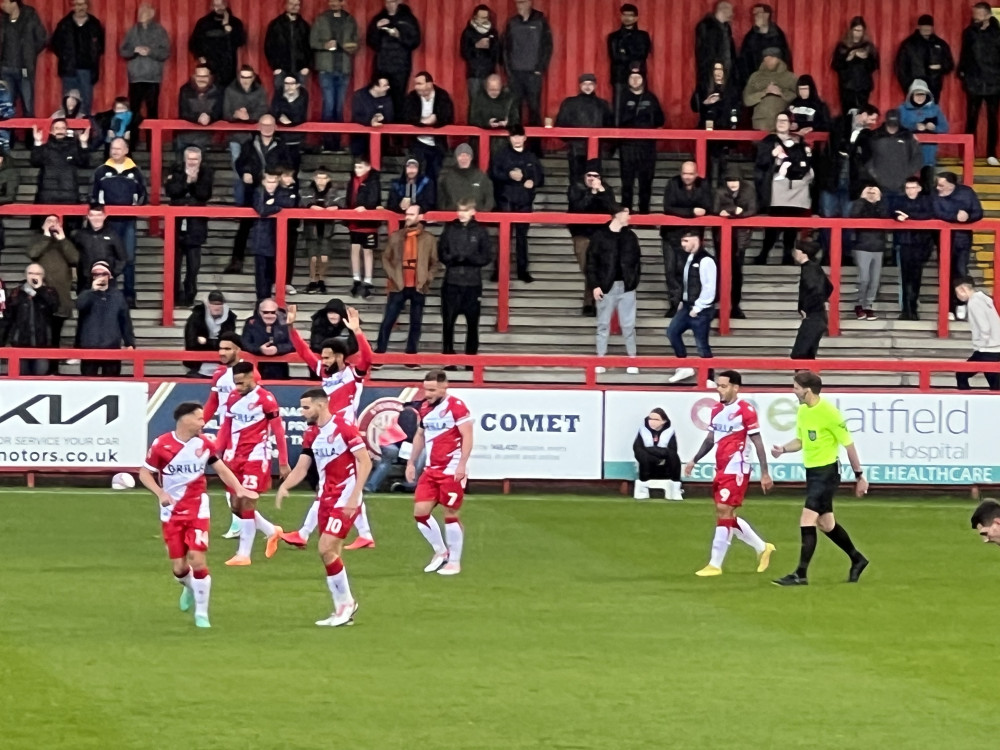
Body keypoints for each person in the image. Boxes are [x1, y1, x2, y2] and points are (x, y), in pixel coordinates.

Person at [140, 401, 253, 629]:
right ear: (185, 419)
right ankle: (189, 586)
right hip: (170, 512)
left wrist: (239, 488)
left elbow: (221, 468)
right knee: (179, 568)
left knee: (198, 560)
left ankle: (202, 614)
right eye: (199, 418)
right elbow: (145, 473)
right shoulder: (162, 444)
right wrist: (160, 492)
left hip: (198, 509)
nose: (204, 422)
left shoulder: (205, 444)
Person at [281, 305, 376, 551]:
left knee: (338, 484)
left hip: (345, 434)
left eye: (327, 357)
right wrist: (291, 327)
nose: (322, 361)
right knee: (332, 484)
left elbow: (369, 358)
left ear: (340, 357)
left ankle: (304, 533)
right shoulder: (324, 372)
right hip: (328, 433)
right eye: (322, 357)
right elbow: (303, 352)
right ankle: (363, 534)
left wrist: (358, 332)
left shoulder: (353, 375)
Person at [277, 388, 371, 626]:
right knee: (332, 553)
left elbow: (365, 461)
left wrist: (355, 496)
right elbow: (302, 467)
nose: (302, 412)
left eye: (306, 407)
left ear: (321, 405)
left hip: (345, 497)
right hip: (325, 497)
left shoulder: (344, 428)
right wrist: (284, 486)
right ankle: (342, 609)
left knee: (325, 548)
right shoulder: (311, 434)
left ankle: (347, 604)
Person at [772, 371, 870, 586]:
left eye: (796, 387)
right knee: (826, 524)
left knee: (807, 520)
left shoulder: (830, 413)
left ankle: (801, 574)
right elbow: (801, 440)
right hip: (813, 473)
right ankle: (857, 559)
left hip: (827, 473)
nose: (793, 391)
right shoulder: (803, 412)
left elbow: (848, 445)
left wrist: (859, 476)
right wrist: (783, 449)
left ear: (807, 390)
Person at [683, 370, 775, 576]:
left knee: (724, 510)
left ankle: (715, 564)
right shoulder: (716, 409)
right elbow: (710, 439)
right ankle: (762, 547)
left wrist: (765, 472)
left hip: (737, 467)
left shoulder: (745, 410)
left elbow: (758, 441)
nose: (719, 390)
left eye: (723, 386)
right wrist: (694, 460)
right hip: (722, 466)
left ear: (735, 387)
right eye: (718, 386)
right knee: (726, 513)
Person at [214, 362, 291, 565]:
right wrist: (216, 453)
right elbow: (226, 427)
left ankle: (244, 554)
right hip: (233, 456)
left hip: (256, 456)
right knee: (235, 506)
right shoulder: (232, 397)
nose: (238, 387)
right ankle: (271, 531)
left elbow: (278, 431)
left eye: (241, 383)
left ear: (251, 377)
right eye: (235, 384)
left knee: (247, 501)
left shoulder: (265, 399)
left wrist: (283, 461)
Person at [406, 370, 473, 576]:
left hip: (451, 469)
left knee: (450, 513)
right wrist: (410, 462)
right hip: (431, 469)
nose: (428, 394)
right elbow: (419, 435)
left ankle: (454, 561)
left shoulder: (457, 407)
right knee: (420, 513)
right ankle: (441, 551)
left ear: (445, 387)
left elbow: (468, 436)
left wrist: (462, 464)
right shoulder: (424, 408)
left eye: (432, 390)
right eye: (426, 389)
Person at [91, 138, 147, 308]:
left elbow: (143, 195)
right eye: (112, 148)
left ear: (126, 150)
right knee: (108, 259)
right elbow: (93, 195)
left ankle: (129, 295)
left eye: (118, 148)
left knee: (129, 259)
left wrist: (137, 208)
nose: (114, 151)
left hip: (128, 222)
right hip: (108, 222)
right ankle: (108, 293)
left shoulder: (135, 172)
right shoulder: (101, 171)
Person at [376, 204, 438, 358]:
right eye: (407, 214)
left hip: (418, 285)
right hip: (399, 283)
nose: (408, 216)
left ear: (420, 217)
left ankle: (411, 355)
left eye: (411, 214)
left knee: (416, 323)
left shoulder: (429, 239)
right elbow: (385, 257)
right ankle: (380, 353)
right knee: (388, 320)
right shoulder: (396, 236)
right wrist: (392, 275)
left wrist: (427, 277)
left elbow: (434, 262)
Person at [753, 111, 813, 266]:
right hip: (777, 187)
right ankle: (764, 253)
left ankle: (787, 255)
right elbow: (760, 162)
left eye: (784, 120)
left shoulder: (799, 141)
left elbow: (805, 161)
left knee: (791, 226)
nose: (781, 123)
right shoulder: (768, 141)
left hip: (796, 188)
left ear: (790, 123)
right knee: (773, 225)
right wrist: (772, 155)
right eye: (779, 120)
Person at [586, 203, 640, 374]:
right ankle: (601, 358)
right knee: (603, 323)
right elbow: (591, 263)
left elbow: (637, 260)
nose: (629, 217)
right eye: (626, 214)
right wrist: (595, 285)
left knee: (628, 324)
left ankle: (632, 359)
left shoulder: (630, 236)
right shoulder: (600, 236)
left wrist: (633, 280)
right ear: (617, 215)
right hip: (606, 286)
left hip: (626, 286)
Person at [439, 198, 492, 361]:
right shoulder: (449, 229)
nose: (461, 214)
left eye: (465, 210)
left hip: (472, 283)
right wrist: (455, 258)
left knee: (472, 324)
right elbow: (442, 252)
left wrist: (467, 258)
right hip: (452, 281)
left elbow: (486, 256)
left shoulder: (481, 231)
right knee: (448, 323)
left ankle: (471, 359)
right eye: (460, 210)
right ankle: (448, 357)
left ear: (473, 212)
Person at [490, 125, 544, 283]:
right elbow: (493, 173)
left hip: (524, 202)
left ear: (525, 138)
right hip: (506, 200)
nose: (517, 139)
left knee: (522, 238)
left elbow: (541, 178)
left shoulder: (531, 156)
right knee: (503, 238)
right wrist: (508, 175)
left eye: (520, 136)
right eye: (514, 136)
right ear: (509, 138)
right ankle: (498, 271)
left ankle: (522, 271)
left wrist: (531, 181)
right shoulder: (502, 155)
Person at [165, 146, 213, 307]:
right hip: (176, 223)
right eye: (190, 159)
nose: (192, 162)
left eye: (196, 159)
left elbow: (204, 194)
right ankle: (174, 296)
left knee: (193, 266)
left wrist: (193, 183)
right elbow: (171, 191)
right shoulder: (176, 169)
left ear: (200, 160)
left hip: (196, 225)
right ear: (185, 159)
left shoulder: (206, 172)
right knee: (174, 265)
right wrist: (187, 181)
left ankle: (190, 294)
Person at [662, 161, 713, 315]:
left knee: (686, 268)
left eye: (691, 174)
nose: (687, 177)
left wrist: (691, 212)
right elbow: (668, 207)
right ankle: (674, 302)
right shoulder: (672, 184)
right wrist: (691, 211)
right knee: (670, 269)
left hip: (692, 234)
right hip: (671, 233)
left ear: (696, 174)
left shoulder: (703, 185)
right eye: (685, 173)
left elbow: (707, 206)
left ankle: (688, 302)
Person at [667, 230, 717, 386]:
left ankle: (709, 377)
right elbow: (687, 282)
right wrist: (683, 300)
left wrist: (699, 306)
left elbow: (710, 287)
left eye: (686, 241)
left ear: (696, 240)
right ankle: (683, 365)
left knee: (702, 343)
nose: (683, 245)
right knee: (672, 332)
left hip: (701, 309)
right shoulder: (688, 258)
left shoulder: (706, 260)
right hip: (687, 305)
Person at [568, 159, 617, 316]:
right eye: (589, 175)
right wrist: (592, 193)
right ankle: (593, 301)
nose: (592, 178)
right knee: (587, 268)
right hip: (582, 235)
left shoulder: (606, 189)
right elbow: (578, 208)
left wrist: (601, 192)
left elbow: (612, 208)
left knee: (598, 268)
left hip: (601, 236)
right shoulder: (576, 188)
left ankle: (590, 303)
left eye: (595, 175)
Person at [310, 0, 360, 153]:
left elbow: (356, 43)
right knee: (329, 105)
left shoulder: (350, 20)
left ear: (343, 2)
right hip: (326, 68)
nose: (334, 3)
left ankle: (337, 144)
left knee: (339, 107)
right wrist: (324, 45)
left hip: (343, 68)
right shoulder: (321, 19)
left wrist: (350, 47)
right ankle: (327, 143)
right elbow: (312, 41)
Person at [27, 216, 78, 364]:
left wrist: (62, 238)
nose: (52, 224)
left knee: (55, 336)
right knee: (41, 335)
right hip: (41, 298)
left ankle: (53, 368)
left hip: (61, 296)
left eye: (55, 221)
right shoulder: (38, 238)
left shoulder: (66, 240)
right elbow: (32, 253)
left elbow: (74, 258)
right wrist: (46, 236)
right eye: (49, 221)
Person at [934, 171, 984, 320]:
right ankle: (948, 307)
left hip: (963, 239)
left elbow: (979, 212)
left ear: (952, 184)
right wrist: (954, 217)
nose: (938, 187)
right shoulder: (935, 195)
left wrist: (968, 217)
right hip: (943, 240)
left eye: (942, 185)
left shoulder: (966, 193)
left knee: (961, 272)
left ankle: (961, 304)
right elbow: (935, 213)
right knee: (946, 273)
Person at [616, 66, 664, 215]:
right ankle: (626, 214)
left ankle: (644, 215)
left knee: (646, 182)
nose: (635, 80)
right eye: (632, 77)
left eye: (638, 77)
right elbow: (615, 120)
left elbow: (660, 119)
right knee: (627, 183)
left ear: (643, 80)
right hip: (627, 146)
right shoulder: (622, 98)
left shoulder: (651, 98)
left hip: (647, 146)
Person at [75, 260, 135, 377]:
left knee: (112, 382)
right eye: (96, 274)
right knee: (88, 383)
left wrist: (129, 342)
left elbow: (125, 321)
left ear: (110, 276)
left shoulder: (117, 296)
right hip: (89, 348)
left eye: (103, 274)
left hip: (111, 347)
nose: (99, 277)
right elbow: (79, 306)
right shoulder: (86, 294)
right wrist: (92, 291)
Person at [366, 0, 422, 122]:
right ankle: (382, 138)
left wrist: (399, 35)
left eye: (392, 2)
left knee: (399, 100)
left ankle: (398, 137)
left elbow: (415, 41)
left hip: (401, 67)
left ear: (398, 2)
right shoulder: (378, 18)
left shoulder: (408, 19)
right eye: (387, 2)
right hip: (382, 66)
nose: (389, 5)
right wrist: (376, 28)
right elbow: (371, 43)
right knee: (381, 100)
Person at [959, 2, 1000, 166]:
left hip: (995, 81)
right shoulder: (969, 32)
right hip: (974, 81)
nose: (975, 17)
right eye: (974, 14)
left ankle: (991, 154)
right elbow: (964, 55)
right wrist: (963, 74)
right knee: (972, 118)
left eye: (979, 14)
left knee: (992, 118)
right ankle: (968, 154)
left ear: (988, 15)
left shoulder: (997, 33)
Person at [713, 164, 757, 319]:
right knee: (721, 270)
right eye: (729, 180)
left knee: (737, 272)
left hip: (740, 237)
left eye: (735, 180)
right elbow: (716, 209)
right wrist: (732, 210)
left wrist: (739, 212)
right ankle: (719, 302)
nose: (732, 184)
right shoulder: (720, 192)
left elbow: (752, 209)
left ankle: (735, 304)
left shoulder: (748, 191)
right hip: (722, 237)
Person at [30, 119, 90, 231]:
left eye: (63, 128)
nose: (60, 131)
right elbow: (35, 162)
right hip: (47, 197)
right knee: (46, 232)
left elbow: (84, 163)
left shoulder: (74, 147)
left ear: (67, 131)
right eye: (57, 128)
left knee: (68, 233)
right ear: (51, 131)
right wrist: (37, 143)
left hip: (69, 197)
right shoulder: (45, 148)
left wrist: (83, 144)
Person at [555, 73, 613, 186]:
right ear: (580, 85)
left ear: (595, 86)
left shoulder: (602, 104)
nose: (587, 86)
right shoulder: (569, 103)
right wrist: (572, 141)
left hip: (596, 150)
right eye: (584, 84)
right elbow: (560, 124)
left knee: (594, 181)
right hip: (576, 149)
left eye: (590, 84)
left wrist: (604, 144)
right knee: (576, 182)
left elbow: (609, 126)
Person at [690, 61, 742, 185]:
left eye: (720, 69)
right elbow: (694, 106)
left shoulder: (732, 89)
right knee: (705, 166)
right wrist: (705, 103)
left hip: (725, 132)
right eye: (715, 69)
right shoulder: (704, 87)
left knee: (723, 167)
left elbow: (738, 109)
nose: (718, 72)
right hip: (707, 131)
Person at [503, 0, 553, 128]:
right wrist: (509, 71)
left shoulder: (540, 20)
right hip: (515, 73)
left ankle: (535, 145)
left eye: (522, 3)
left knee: (534, 108)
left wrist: (540, 68)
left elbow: (547, 46)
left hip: (533, 73)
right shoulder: (512, 22)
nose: (519, 6)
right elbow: (505, 48)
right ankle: (516, 143)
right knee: (515, 108)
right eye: (518, 3)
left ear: (530, 3)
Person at [891, 175, 935, 320]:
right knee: (905, 278)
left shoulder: (926, 201)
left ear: (919, 188)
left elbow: (928, 214)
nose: (910, 191)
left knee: (916, 278)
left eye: (913, 187)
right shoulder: (899, 200)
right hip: (904, 243)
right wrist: (898, 217)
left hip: (920, 244)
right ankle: (906, 309)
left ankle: (913, 309)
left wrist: (909, 216)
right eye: (908, 188)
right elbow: (893, 212)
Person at [119, 2, 169, 126]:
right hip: (135, 79)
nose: (141, 14)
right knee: (133, 112)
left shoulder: (159, 31)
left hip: (153, 79)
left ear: (152, 14)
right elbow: (123, 51)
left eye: (145, 12)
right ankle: (132, 144)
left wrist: (150, 52)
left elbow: (165, 53)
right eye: (140, 12)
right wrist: (134, 50)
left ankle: (152, 144)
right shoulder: (132, 31)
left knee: (152, 113)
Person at [50, 0, 104, 115]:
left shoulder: (95, 24)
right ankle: (69, 129)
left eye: (83, 4)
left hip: (87, 70)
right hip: (68, 70)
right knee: (69, 102)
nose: (80, 7)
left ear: (87, 6)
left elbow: (101, 46)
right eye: (77, 5)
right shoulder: (64, 24)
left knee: (86, 102)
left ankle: (84, 130)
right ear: (73, 7)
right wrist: (65, 57)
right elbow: (54, 44)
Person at [247, 170, 295, 301]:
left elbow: (289, 203)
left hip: (278, 239)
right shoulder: (258, 192)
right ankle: (262, 303)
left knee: (274, 273)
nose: (271, 185)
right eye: (269, 182)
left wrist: (271, 203)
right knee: (262, 276)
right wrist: (276, 206)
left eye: (274, 182)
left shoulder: (283, 192)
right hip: (261, 240)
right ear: (263, 182)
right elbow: (261, 209)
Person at [5, 263, 58, 376]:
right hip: (20, 344)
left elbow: (54, 307)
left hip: (42, 344)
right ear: (25, 275)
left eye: (37, 273)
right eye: (30, 273)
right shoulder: (16, 292)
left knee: (40, 375)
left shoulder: (50, 292)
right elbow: (9, 316)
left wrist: (40, 290)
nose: (34, 276)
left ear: (43, 276)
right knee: (22, 376)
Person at [0, 0, 48, 122]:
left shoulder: (30, 15)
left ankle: (30, 139)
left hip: (24, 68)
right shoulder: (2, 20)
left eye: (4, 2)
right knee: (5, 107)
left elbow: (42, 38)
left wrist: (30, 52)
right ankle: (7, 140)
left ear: (14, 2)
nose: (2, 6)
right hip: (5, 69)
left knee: (28, 107)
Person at [403, 72, 454, 183]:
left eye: (419, 83)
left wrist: (436, 119)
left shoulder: (442, 95)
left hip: (437, 143)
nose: (416, 86)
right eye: (416, 84)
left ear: (430, 84)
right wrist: (423, 122)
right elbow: (407, 117)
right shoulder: (412, 97)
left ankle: (431, 200)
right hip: (417, 141)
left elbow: (448, 116)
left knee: (434, 175)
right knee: (414, 173)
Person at [343, 156, 382, 298]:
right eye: (356, 167)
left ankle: (368, 280)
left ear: (368, 167)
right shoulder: (352, 180)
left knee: (368, 251)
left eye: (360, 167)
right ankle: (356, 278)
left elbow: (375, 198)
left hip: (368, 221)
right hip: (354, 220)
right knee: (354, 249)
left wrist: (366, 207)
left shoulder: (373, 180)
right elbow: (349, 198)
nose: (357, 170)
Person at [301, 166, 344, 294]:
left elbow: (340, 203)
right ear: (314, 179)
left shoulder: (333, 191)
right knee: (313, 257)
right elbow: (305, 202)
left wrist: (335, 207)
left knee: (324, 257)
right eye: (318, 178)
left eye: (323, 178)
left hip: (327, 229)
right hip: (311, 228)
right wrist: (313, 207)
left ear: (328, 179)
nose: (320, 181)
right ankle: (312, 280)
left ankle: (321, 280)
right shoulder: (308, 190)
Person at [895, 14, 954, 104]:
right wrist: (908, 85)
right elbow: (900, 67)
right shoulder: (908, 44)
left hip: (934, 86)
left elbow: (950, 64)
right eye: (924, 26)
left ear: (933, 27)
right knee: (914, 114)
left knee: (931, 114)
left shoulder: (941, 44)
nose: (927, 29)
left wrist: (940, 67)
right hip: (915, 86)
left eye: (929, 26)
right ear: (918, 27)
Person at [865, 109, 924, 200]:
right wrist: (875, 175)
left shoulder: (907, 136)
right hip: (880, 184)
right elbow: (867, 157)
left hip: (902, 184)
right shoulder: (875, 136)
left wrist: (907, 173)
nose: (892, 127)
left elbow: (918, 157)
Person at [849, 184, 888, 321]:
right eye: (868, 190)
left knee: (875, 280)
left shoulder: (882, 205)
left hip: (878, 246)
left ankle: (868, 305)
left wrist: (878, 200)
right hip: (862, 245)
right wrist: (862, 199)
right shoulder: (859, 204)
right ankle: (859, 304)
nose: (871, 193)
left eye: (874, 191)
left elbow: (885, 217)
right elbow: (854, 216)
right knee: (864, 278)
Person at [790, 239, 833, 360]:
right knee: (807, 354)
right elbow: (829, 287)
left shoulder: (809, 269)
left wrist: (806, 308)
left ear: (802, 253)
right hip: (818, 316)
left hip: (813, 316)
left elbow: (816, 290)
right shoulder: (814, 267)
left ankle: (804, 378)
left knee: (800, 354)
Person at [608, 3, 651, 122]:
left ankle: (639, 137)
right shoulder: (614, 37)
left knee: (640, 108)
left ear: (636, 18)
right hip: (619, 78)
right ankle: (617, 139)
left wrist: (624, 51)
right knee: (619, 111)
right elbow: (616, 57)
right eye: (624, 15)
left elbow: (643, 55)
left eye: (631, 15)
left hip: (638, 77)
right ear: (621, 17)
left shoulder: (643, 35)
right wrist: (631, 55)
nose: (627, 18)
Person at [954, 277, 1000, 391]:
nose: (957, 296)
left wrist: (981, 344)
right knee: (996, 385)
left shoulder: (973, 303)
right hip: (994, 347)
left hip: (987, 350)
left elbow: (984, 327)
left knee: (961, 375)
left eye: (957, 292)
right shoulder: (984, 299)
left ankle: (966, 402)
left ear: (963, 289)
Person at [189, 0, 246, 89]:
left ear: (226, 4)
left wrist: (229, 30)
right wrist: (200, 56)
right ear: (211, 7)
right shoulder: (203, 23)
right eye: (216, 5)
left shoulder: (235, 23)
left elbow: (241, 41)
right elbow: (194, 43)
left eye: (221, 5)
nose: (219, 8)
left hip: (228, 69)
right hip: (209, 67)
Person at [898, 79, 950, 176]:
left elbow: (945, 128)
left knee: (927, 180)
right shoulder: (902, 109)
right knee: (909, 182)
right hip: (908, 150)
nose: (920, 97)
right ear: (911, 95)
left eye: (922, 94)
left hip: (929, 151)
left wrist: (934, 128)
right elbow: (897, 127)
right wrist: (913, 126)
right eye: (917, 94)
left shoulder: (935, 109)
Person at [71, 204, 126, 292]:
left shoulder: (112, 235)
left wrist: (113, 273)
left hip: (107, 280)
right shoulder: (80, 235)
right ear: (88, 217)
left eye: (99, 215)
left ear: (104, 216)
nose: (96, 218)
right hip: (85, 281)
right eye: (92, 215)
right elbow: (72, 255)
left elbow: (122, 258)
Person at [183, 291, 237, 378]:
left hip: (223, 361)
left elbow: (228, 340)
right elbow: (191, 342)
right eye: (213, 304)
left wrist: (206, 341)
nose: (216, 307)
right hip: (198, 363)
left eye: (219, 304)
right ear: (207, 304)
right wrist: (215, 343)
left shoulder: (230, 318)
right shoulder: (197, 316)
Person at [632, 409, 681, 501]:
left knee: (674, 457)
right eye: (650, 418)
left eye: (656, 419)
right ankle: (642, 489)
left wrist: (651, 449)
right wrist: (654, 458)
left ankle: (675, 488)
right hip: (648, 464)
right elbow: (637, 448)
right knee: (642, 455)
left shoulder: (670, 431)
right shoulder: (643, 430)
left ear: (664, 421)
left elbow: (672, 450)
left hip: (665, 463)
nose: (652, 421)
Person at [742, 47, 796, 132]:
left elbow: (797, 99)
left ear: (778, 59)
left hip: (782, 123)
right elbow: (747, 100)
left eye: (772, 59)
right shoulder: (755, 77)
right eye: (766, 60)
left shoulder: (790, 77)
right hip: (761, 123)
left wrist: (781, 93)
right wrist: (764, 92)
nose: (769, 62)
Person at [177, 64, 224, 156]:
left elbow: (219, 112)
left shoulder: (218, 91)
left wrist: (210, 118)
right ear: (194, 76)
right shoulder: (185, 90)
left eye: (205, 76)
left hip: (210, 133)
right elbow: (184, 112)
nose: (201, 79)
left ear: (210, 77)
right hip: (187, 131)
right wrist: (198, 118)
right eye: (199, 76)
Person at [264, 0, 311, 91]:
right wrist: (275, 66)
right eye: (291, 4)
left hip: (300, 69)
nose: (294, 6)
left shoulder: (304, 25)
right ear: (285, 5)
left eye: (297, 4)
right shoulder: (276, 24)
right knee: (281, 98)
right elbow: (268, 46)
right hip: (281, 69)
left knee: (300, 98)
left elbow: (309, 47)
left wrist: (307, 66)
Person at [460, 4, 500, 111]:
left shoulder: (493, 32)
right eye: (481, 17)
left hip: (489, 73)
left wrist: (490, 47)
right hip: (474, 73)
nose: (483, 20)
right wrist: (476, 47)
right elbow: (463, 53)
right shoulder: (468, 32)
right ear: (475, 17)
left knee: (490, 103)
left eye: (486, 17)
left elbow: (497, 53)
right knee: (475, 103)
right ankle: (473, 126)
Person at [468, 74, 519, 157]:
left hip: (503, 137)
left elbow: (515, 119)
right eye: (491, 90)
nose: (494, 93)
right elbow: (473, 119)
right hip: (482, 137)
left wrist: (507, 123)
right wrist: (487, 123)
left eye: (496, 90)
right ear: (486, 87)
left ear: (501, 87)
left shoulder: (509, 98)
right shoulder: (478, 98)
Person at [242, 299, 293, 381]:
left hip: (279, 370)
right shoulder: (251, 323)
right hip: (256, 369)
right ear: (259, 312)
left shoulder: (284, 323)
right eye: (265, 312)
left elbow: (292, 344)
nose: (269, 315)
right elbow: (245, 343)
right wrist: (259, 349)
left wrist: (277, 349)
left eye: (273, 312)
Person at [739, 3, 791, 82]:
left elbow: (786, 57)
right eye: (753, 14)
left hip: (778, 79)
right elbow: (745, 60)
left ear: (767, 15)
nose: (755, 16)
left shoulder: (778, 34)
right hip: (757, 81)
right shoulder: (750, 36)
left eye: (758, 13)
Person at [437, 143, 494, 212]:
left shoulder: (481, 176)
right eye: (460, 155)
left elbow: (489, 199)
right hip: (453, 219)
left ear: (471, 158)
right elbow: (441, 200)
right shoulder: (446, 177)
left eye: (467, 155)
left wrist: (482, 214)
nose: (464, 158)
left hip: (477, 219)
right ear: (456, 158)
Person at [349, 75, 394, 158]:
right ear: (376, 86)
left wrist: (382, 117)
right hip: (360, 139)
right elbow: (356, 117)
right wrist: (370, 121)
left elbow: (390, 116)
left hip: (380, 140)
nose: (388, 87)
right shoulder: (359, 96)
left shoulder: (387, 97)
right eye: (384, 86)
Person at [695, 1, 737, 87]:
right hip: (712, 71)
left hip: (726, 69)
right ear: (723, 10)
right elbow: (707, 52)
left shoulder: (726, 27)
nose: (732, 14)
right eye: (730, 11)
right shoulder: (707, 26)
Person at [272, 78, 308, 170]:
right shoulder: (278, 96)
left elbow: (300, 117)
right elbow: (273, 112)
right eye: (286, 83)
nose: (289, 86)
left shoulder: (303, 96)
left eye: (292, 83)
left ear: (297, 85)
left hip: (296, 138)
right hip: (280, 138)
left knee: (293, 169)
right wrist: (279, 116)